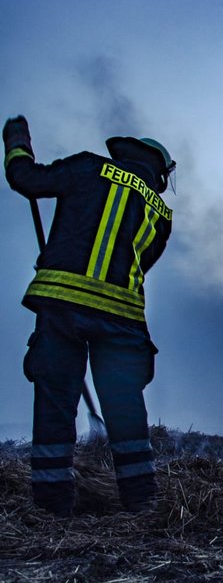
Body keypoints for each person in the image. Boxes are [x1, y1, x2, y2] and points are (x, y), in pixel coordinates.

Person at [3, 115, 175, 517]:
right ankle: (142, 502)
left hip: (62, 305)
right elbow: (139, 264)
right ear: (159, 173)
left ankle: (52, 507)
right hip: (122, 316)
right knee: (126, 409)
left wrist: (16, 140)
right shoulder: (160, 212)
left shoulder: (86, 166)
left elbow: (26, 179)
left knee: (56, 403)